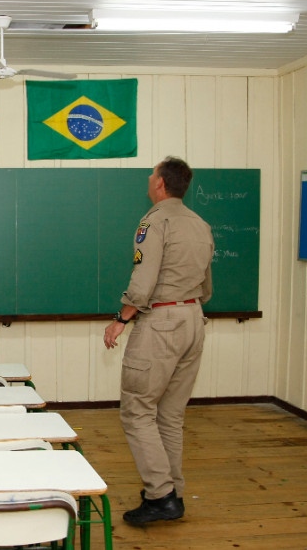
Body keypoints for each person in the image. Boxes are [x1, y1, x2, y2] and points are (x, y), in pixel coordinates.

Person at [103, 156, 214, 525]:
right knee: (170, 414)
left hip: (162, 322)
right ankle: (173, 492)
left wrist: (121, 319)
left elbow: (144, 277)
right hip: (193, 319)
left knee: (137, 410)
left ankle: (161, 495)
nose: (149, 180)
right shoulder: (200, 224)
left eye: (152, 175)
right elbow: (207, 286)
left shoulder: (155, 221)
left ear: (161, 185)